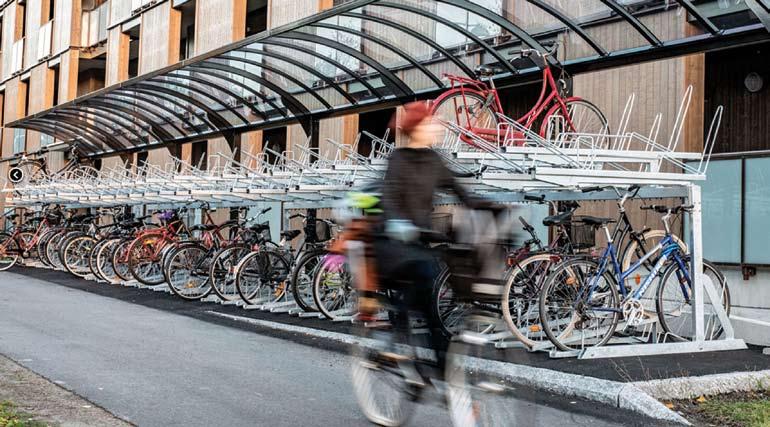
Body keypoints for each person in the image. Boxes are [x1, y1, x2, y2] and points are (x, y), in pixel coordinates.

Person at [378, 101, 497, 381]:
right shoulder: (398, 160)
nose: (438, 127)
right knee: (423, 285)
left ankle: (438, 368)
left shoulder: (434, 160)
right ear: (418, 128)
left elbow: (461, 192)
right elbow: (389, 199)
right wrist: (400, 225)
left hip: (420, 244)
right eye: (432, 122)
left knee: (431, 294)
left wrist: (493, 208)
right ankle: (398, 343)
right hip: (394, 243)